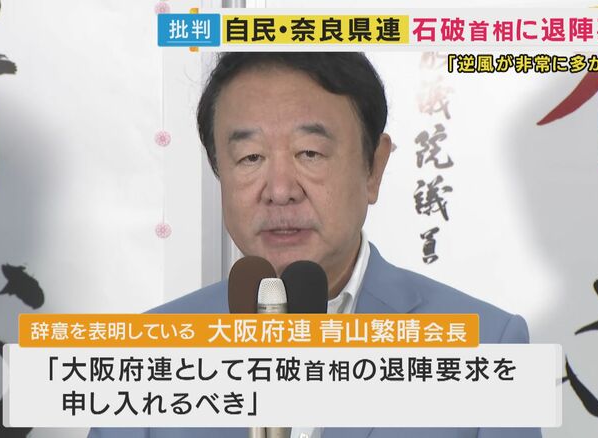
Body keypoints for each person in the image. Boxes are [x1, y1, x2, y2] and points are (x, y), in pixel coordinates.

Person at [89, 52, 541, 438]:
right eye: (250, 157)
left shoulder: (486, 345)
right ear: (218, 171)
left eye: (310, 152)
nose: (280, 190)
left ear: (373, 168)